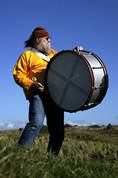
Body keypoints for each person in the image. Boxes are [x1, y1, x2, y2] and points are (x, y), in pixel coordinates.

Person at [13, 26, 82, 155]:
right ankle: (19, 154)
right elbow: (18, 74)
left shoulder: (54, 55)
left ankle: (51, 160)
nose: (50, 40)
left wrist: (75, 54)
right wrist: (31, 84)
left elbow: (66, 63)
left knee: (58, 131)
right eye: (46, 38)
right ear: (38, 40)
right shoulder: (27, 55)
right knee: (36, 123)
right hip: (38, 93)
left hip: (55, 95)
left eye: (49, 38)